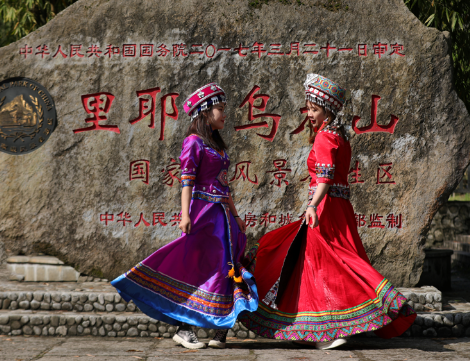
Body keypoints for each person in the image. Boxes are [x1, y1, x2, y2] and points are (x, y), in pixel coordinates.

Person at [240, 74, 416, 350]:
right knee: (339, 262)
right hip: (340, 208)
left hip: (324, 209)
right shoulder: (339, 136)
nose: (309, 114)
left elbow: (324, 178)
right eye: (309, 108)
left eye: (315, 109)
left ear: (328, 110)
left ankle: (332, 328)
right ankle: (341, 323)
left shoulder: (325, 137)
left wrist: (311, 206)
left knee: (322, 266)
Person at [111, 83, 258, 350]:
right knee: (195, 268)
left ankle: (219, 325)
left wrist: (235, 216)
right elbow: (186, 181)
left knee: (223, 270)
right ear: (204, 112)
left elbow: (224, 187)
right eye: (220, 109)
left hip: (222, 219)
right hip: (202, 215)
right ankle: (184, 327)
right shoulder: (193, 143)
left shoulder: (217, 145)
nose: (224, 114)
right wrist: (185, 214)